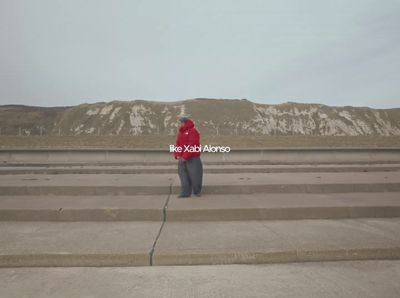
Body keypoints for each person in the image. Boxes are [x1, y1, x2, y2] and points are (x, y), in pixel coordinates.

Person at [174, 116, 203, 198]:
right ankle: (185, 193)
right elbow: (178, 144)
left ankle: (197, 191)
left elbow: (192, 145)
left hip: (193, 158)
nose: (178, 125)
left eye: (179, 123)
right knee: (183, 176)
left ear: (184, 123)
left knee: (195, 176)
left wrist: (185, 156)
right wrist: (177, 154)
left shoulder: (193, 132)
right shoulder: (180, 133)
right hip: (182, 159)